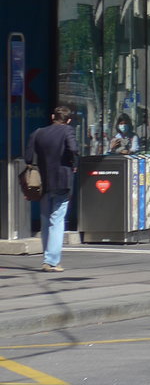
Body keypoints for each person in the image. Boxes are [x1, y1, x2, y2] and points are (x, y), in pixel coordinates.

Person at [25, 105, 79, 273]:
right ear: (68, 120)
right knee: (57, 220)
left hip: (42, 182)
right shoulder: (67, 130)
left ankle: (47, 259)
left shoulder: (38, 132)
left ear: (52, 117)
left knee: (45, 220)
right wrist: (73, 163)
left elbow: (28, 157)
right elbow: (74, 149)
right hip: (62, 181)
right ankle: (52, 261)